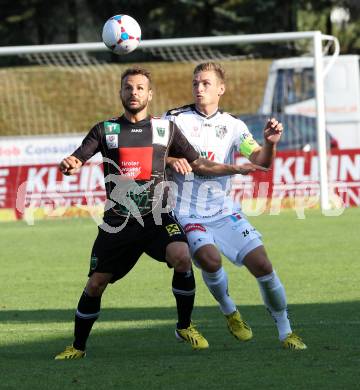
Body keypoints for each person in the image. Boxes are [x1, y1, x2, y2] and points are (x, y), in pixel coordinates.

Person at [55, 66, 264, 360]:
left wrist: (235, 168)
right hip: (120, 222)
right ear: (121, 93)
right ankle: (77, 346)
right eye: (128, 88)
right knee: (96, 283)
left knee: (182, 256)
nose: (134, 93)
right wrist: (71, 163)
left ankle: (184, 326)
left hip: (158, 217)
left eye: (140, 88)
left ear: (149, 94)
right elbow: (79, 156)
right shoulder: (105, 130)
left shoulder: (165, 129)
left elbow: (199, 163)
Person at [164, 62, 307, 350]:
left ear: (221, 88)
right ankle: (230, 311)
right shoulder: (175, 120)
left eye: (205, 83)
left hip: (223, 211)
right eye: (195, 83)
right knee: (210, 259)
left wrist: (270, 143)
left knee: (263, 265)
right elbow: (153, 154)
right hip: (186, 212)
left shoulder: (233, 125)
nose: (199, 88)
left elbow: (261, 161)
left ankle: (286, 331)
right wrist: (169, 160)